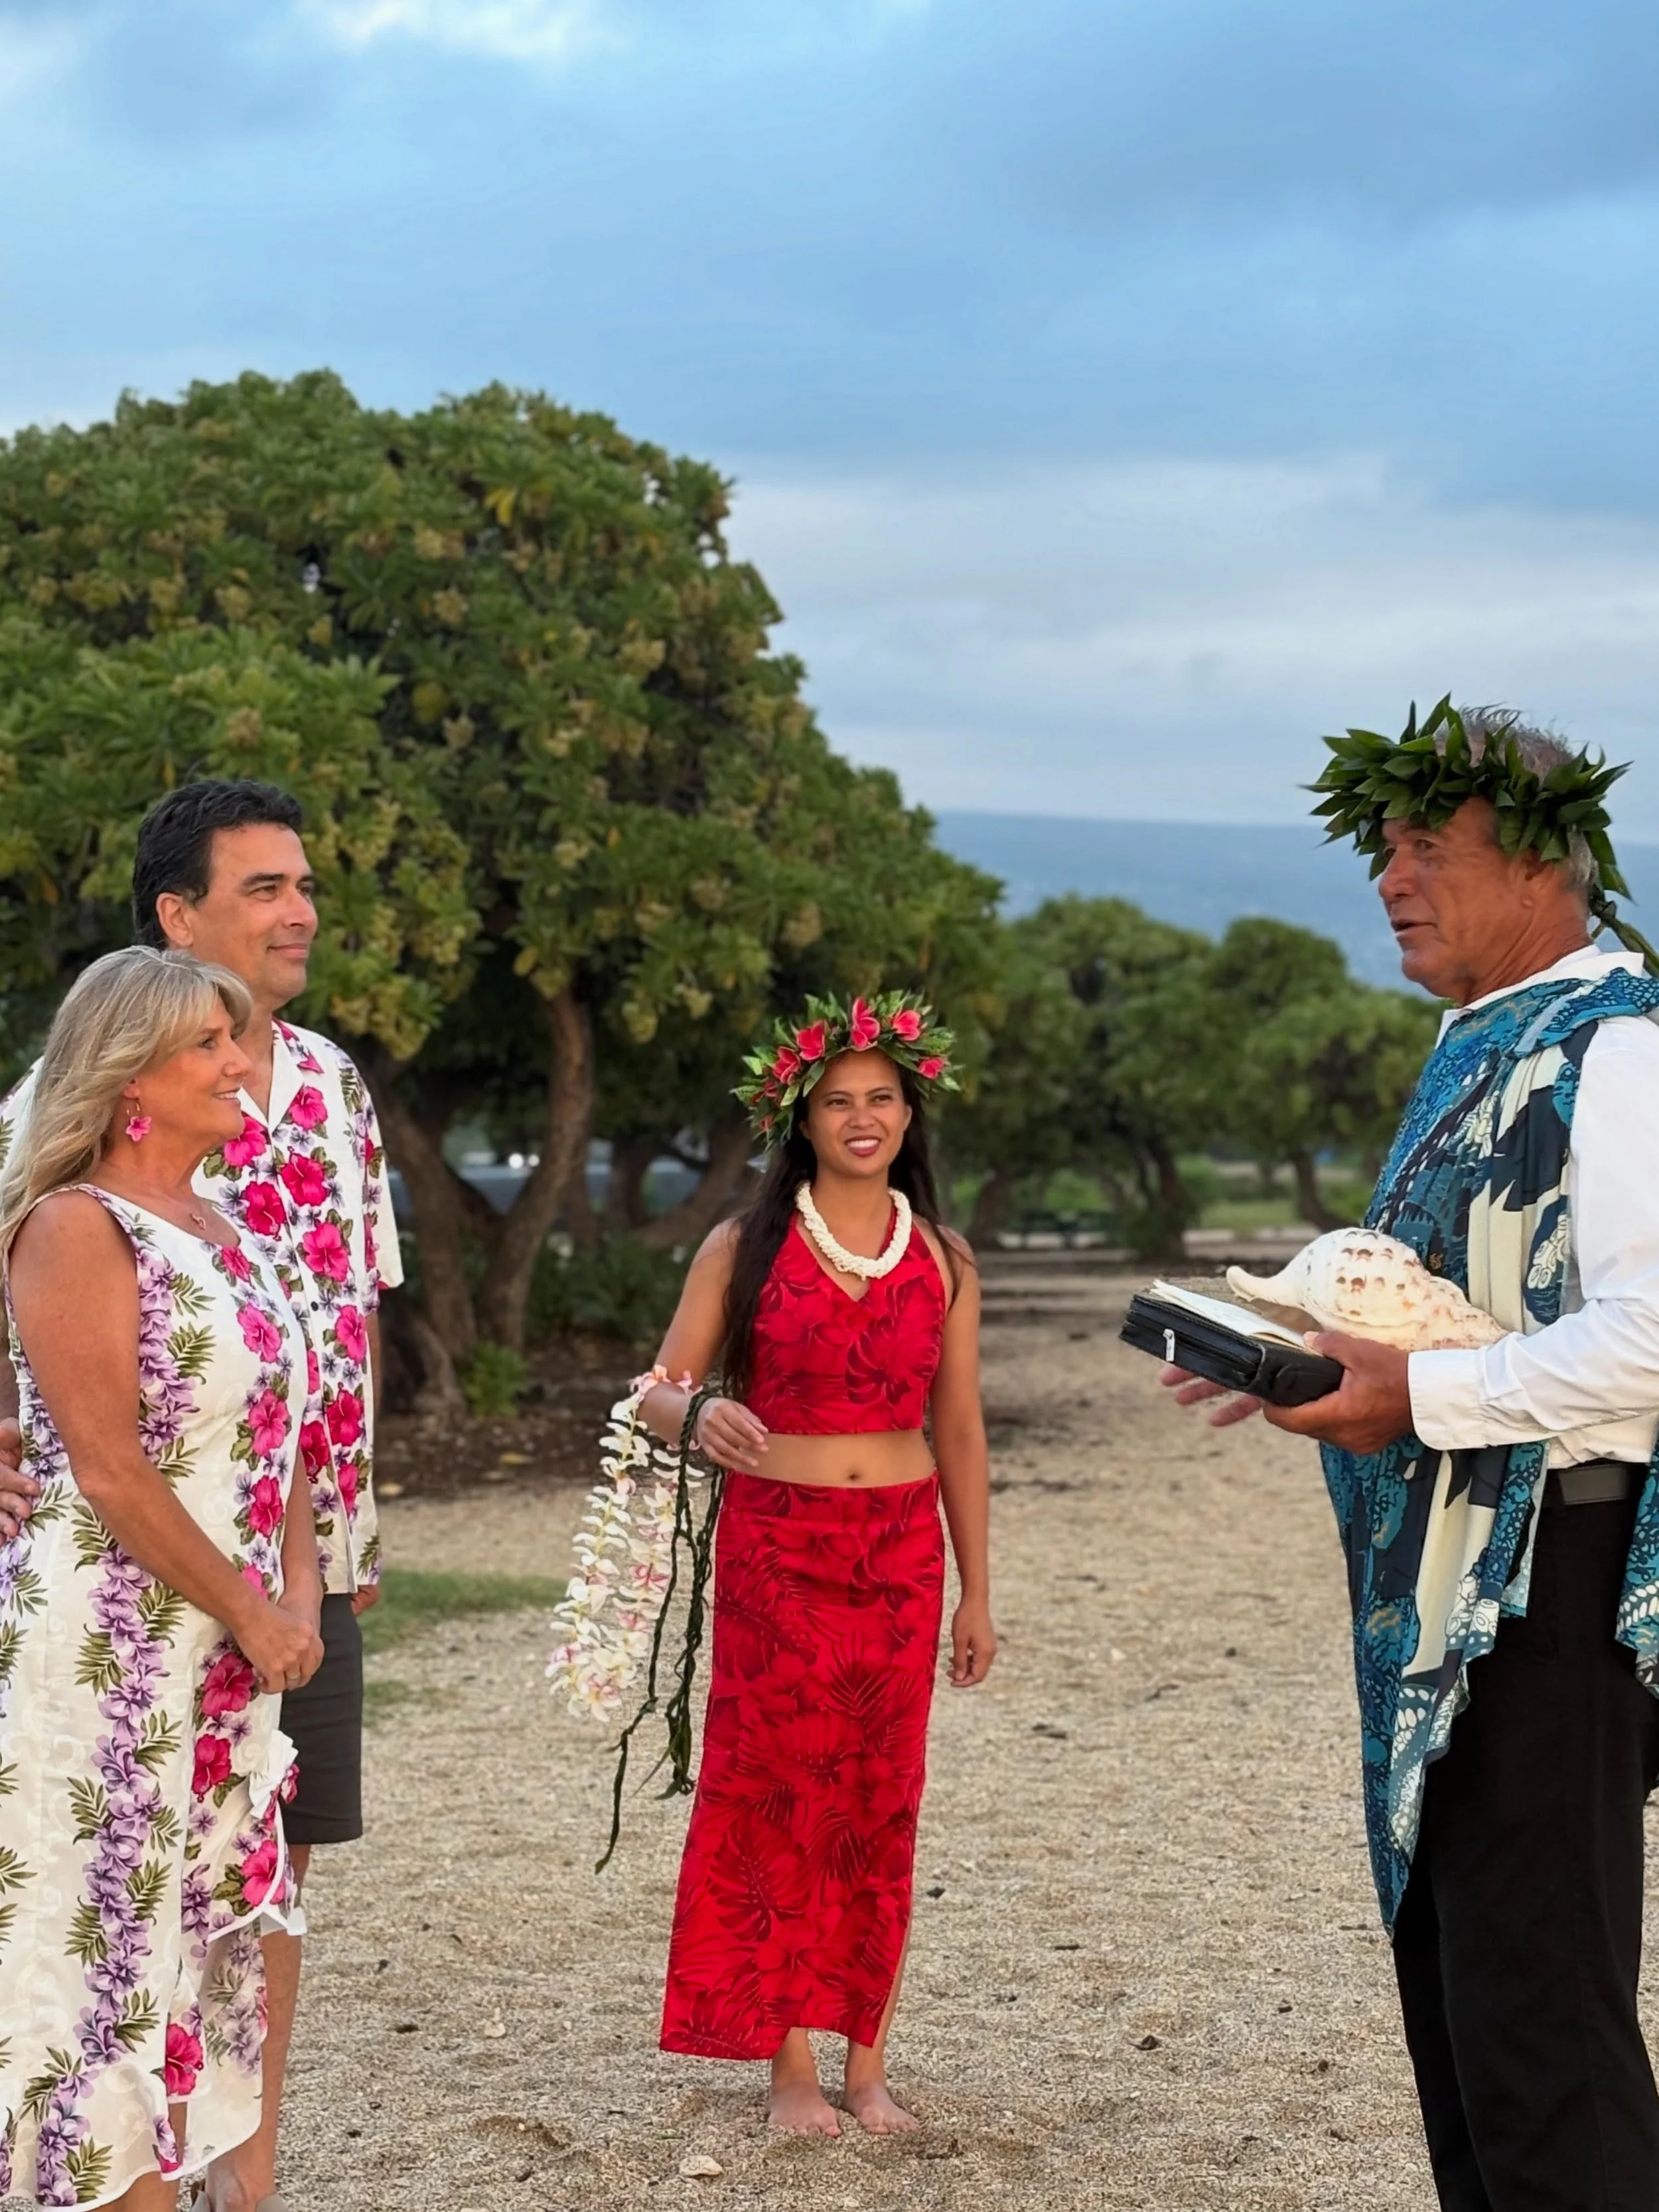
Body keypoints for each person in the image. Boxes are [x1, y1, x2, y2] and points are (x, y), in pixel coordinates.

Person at [1165, 703, 1659, 2212]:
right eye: (1380, 852)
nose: (1388, 879)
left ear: (1538, 860)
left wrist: (1417, 1397)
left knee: (1542, 2029)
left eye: (1421, 848)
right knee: (1465, 2014)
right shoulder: (1480, 1041)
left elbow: (1647, 1337)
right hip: (1448, 1590)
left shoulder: (1615, 1045)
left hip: (1543, 1588)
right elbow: (1464, 1303)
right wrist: (1317, 1367)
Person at [0, 781, 402, 2212]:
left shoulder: (261, 1180)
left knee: (230, 1913)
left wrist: (294, 1592)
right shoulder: (64, 1210)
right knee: (97, 1942)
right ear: (128, 1074)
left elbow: (314, 1392)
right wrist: (247, 1601)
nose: (245, 1059)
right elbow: (101, 1457)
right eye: (210, 1042)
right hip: (124, 1627)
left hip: (255, 1630)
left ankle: (238, 2180)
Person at [636, 993, 995, 2136]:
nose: (862, 1117)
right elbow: (659, 1390)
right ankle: (789, 2061)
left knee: (879, 1801)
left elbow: (963, 1431)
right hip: (776, 1555)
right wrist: (694, 1422)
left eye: (881, 1098)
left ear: (910, 1113)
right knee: (778, 1797)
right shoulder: (744, 1247)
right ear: (801, 1115)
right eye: (838, 1100)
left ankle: (868, 2059)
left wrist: (977, 1590)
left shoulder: (942, 1257)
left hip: (898, 1558)